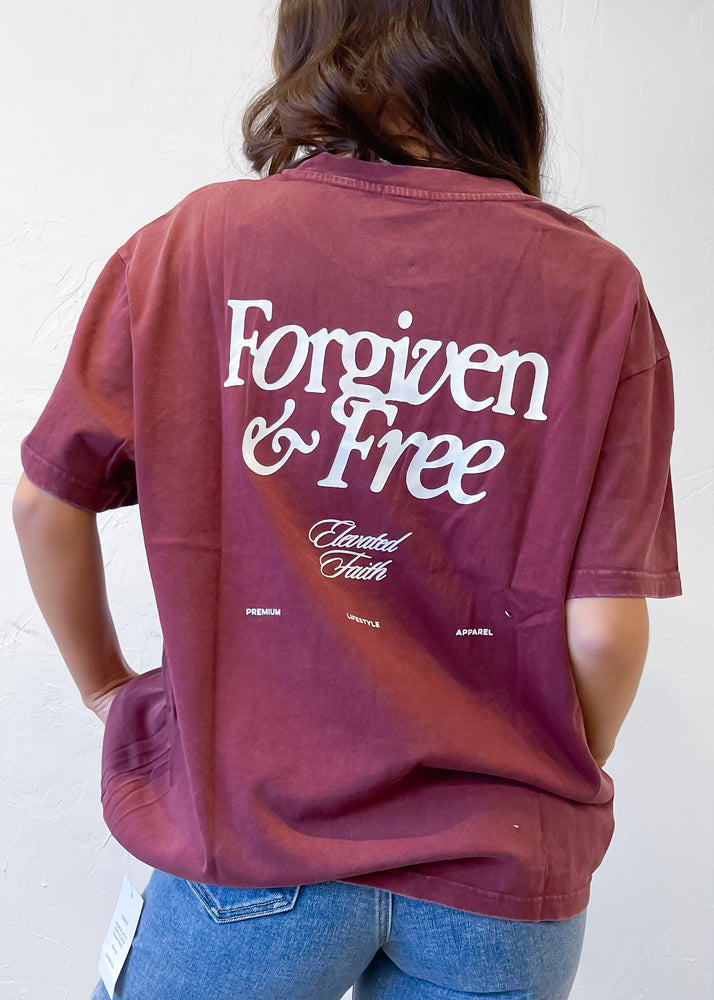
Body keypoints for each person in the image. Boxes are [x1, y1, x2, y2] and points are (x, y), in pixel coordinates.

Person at [13, 1, 681, 998]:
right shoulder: (598, 289)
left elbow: (43, 505)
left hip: (253, 842)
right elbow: (605, 630)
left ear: (312, 36)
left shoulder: (197, 244)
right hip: (499, 879)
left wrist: (106, 686)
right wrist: (534, 759)